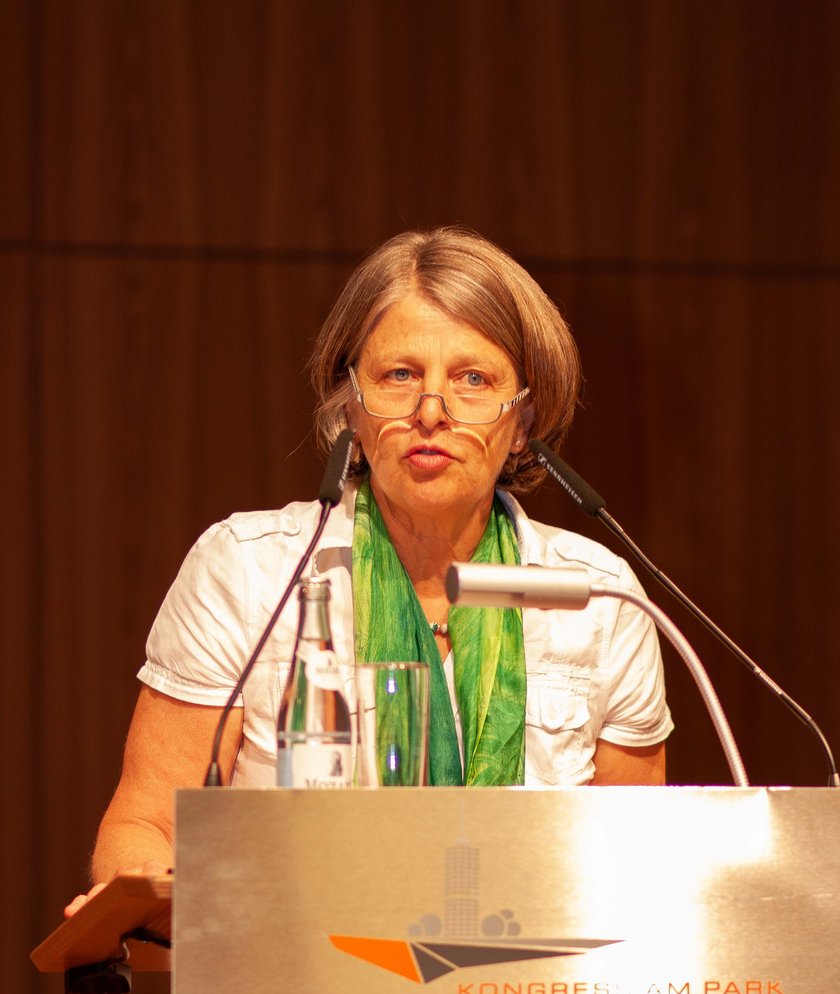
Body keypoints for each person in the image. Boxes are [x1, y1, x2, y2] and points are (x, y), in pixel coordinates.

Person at [65, 227, 672, 915]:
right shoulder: (248, 571)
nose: (432, 413)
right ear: (350, 404)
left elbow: (634, 862)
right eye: (400, 376)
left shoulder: (599, 598)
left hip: (529, 970)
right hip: (288, 958)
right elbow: (148, 824)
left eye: (473, 380)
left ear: (524, 420)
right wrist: (148, 891)